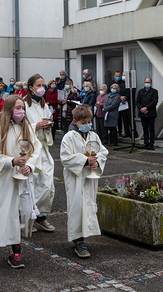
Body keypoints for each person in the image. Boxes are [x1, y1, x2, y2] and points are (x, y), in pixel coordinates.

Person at [0, 94, 42, 268]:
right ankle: (15, 252)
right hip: (6, 179)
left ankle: (16, 245)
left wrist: (30, 166)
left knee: (24, 211)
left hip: (24, 177)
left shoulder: (28, 129)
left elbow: (36, 150)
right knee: (9, 214)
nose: (21, 111)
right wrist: (11, 161)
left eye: (23, 108)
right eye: (17, 108)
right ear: (9, 110)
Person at [60, 105, 108, 258]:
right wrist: (86, 161)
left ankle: (84, 235)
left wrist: (97, 162)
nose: (87, 124)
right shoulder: (69, 137)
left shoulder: (93, 136)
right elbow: (65, 158)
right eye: (84, 122)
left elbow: (103, 151)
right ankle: (78, 240)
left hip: (89, 177)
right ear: (75, 121)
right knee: (76, 206)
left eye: (89, 121)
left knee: (87, 205)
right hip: (76, 178)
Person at [24, 74, 55, 232]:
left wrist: (48, 126)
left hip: (43, 148)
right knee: (32, 184)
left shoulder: (44, 104)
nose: (42, 88)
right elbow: (18, 128)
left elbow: (47, 121)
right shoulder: (23, 105)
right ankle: (29, 217)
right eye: (38, 85)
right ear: (30, 88)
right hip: (30, 149)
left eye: (43, 85)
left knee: (47, 183)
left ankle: (41, 216)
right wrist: (35, 126)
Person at [136, 78, 158, 150]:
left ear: (151, 83)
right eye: (146, 82)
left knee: (151, 129)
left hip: (150, 113)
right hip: (142, 113)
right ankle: (146, 142)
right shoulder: (140, 91)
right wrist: (141, 108)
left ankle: (151, 143)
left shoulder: (154, 91)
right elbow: (137, 101)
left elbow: (154, 101)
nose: (147, 83)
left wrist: (146, 108)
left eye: (148, 82)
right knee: (145, 129)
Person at [109, 71, 125, 137]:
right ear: (114, 76)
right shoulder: (111, 83)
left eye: (119, 76)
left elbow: (124, 91)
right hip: (113, 102)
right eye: (116, 76)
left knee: (120, 118)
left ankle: (120, 131)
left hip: (121, 103)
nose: (118, 77)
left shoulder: (123, 83)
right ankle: (112, 132)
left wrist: (122, 97)